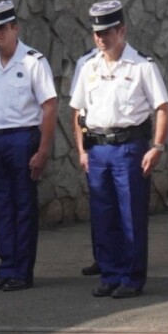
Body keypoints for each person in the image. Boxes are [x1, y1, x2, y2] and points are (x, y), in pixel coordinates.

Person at [70, 0, 168, 299]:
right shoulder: (88, 67)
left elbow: (163, 107)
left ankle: (131, 277)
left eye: (108, 32)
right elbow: (78, 111)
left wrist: (157, 147)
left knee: (130, 216)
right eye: (97, 33)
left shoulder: (142, 66)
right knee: (103, 216)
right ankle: (110, 274)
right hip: (99, 149)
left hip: (129, 148)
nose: (102, 38)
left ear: (122, 31)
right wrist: (82, 150)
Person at [0, 0, 57, 292]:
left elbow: (49, 106)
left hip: (23, 138)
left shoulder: (34, 62)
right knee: (2, 207)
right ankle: (6, 268)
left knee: (23, 206)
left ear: (15, 28)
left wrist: (43, 150)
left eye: (2, 28)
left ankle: (23, 271)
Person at [70, 48, 101, 277]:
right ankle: (102, 257)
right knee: (100, 205)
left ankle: (125, 259)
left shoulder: (137, 63)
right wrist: (82, 149)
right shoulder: (85, 62)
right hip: (94, 143)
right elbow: (79, 111)